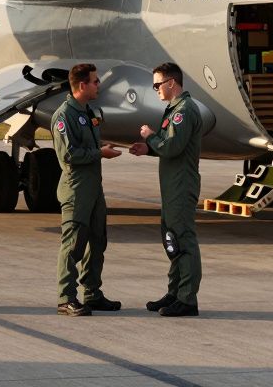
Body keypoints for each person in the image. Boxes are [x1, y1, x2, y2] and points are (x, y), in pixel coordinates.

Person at [130, 61, 203, 317]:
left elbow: (172, 147)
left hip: (181, 186)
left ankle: (187, 299)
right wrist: (149, 148)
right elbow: (171, 147)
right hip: (172, 186)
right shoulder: (175, 109)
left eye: (157, 84)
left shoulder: (184, 111)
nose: (156, 89)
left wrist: (150, 135)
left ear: (171, 83)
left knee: (183, 240)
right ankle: (175, 293)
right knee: (172, 239)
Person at [53, 63, 123, 316]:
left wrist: (102, 146)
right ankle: (66, 297)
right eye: (95, 81)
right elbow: (68, 154)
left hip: (94, 189)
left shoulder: (88, 111)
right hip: (77, 190)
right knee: (73, 244)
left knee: (97, 241)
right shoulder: (64, 116)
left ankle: (92, 293)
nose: (98, 85)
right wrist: (99, 153)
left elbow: (88, 145)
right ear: (82, 85)